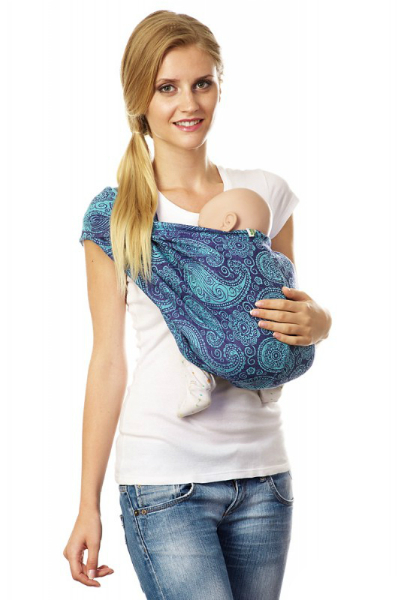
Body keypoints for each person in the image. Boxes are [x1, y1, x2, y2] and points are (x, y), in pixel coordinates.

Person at [63, 10, 332, 600]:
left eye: (202, 83)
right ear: (140, 99)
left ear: (219, 85)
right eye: (168, 87)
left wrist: (321, 322)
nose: (189, 103)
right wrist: (87, 503)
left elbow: (278, 319)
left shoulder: (263, 194)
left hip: (264, 478)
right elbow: (107, 361)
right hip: (164, 483)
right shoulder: (117, 215)